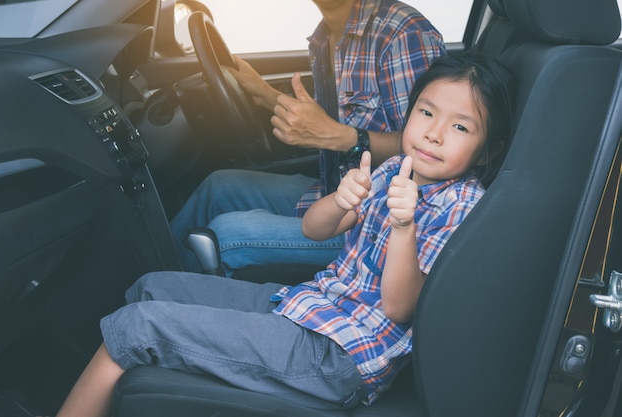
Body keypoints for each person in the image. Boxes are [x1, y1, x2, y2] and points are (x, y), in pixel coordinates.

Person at [55, 54, 515, 417]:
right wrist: (341, 199)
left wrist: (403, 226)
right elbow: (315, 231)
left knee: (137, 327)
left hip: (341, 356)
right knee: (152, 286)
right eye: (426, 112)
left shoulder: (461, 205)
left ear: (487, 149)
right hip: (310, 306)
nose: (433, 134)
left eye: (459, 126)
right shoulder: (397, 167)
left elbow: (399, 308)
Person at [170, 0, 446, 275]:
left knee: (224, 236)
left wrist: (339, 137)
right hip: (334, 193)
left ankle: (168, 307)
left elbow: (426, 151)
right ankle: (155, 273)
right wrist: (265, 95)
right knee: (219, 186)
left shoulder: (403, 34)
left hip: (378, 222)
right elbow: (328, 119)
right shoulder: (323, 37)